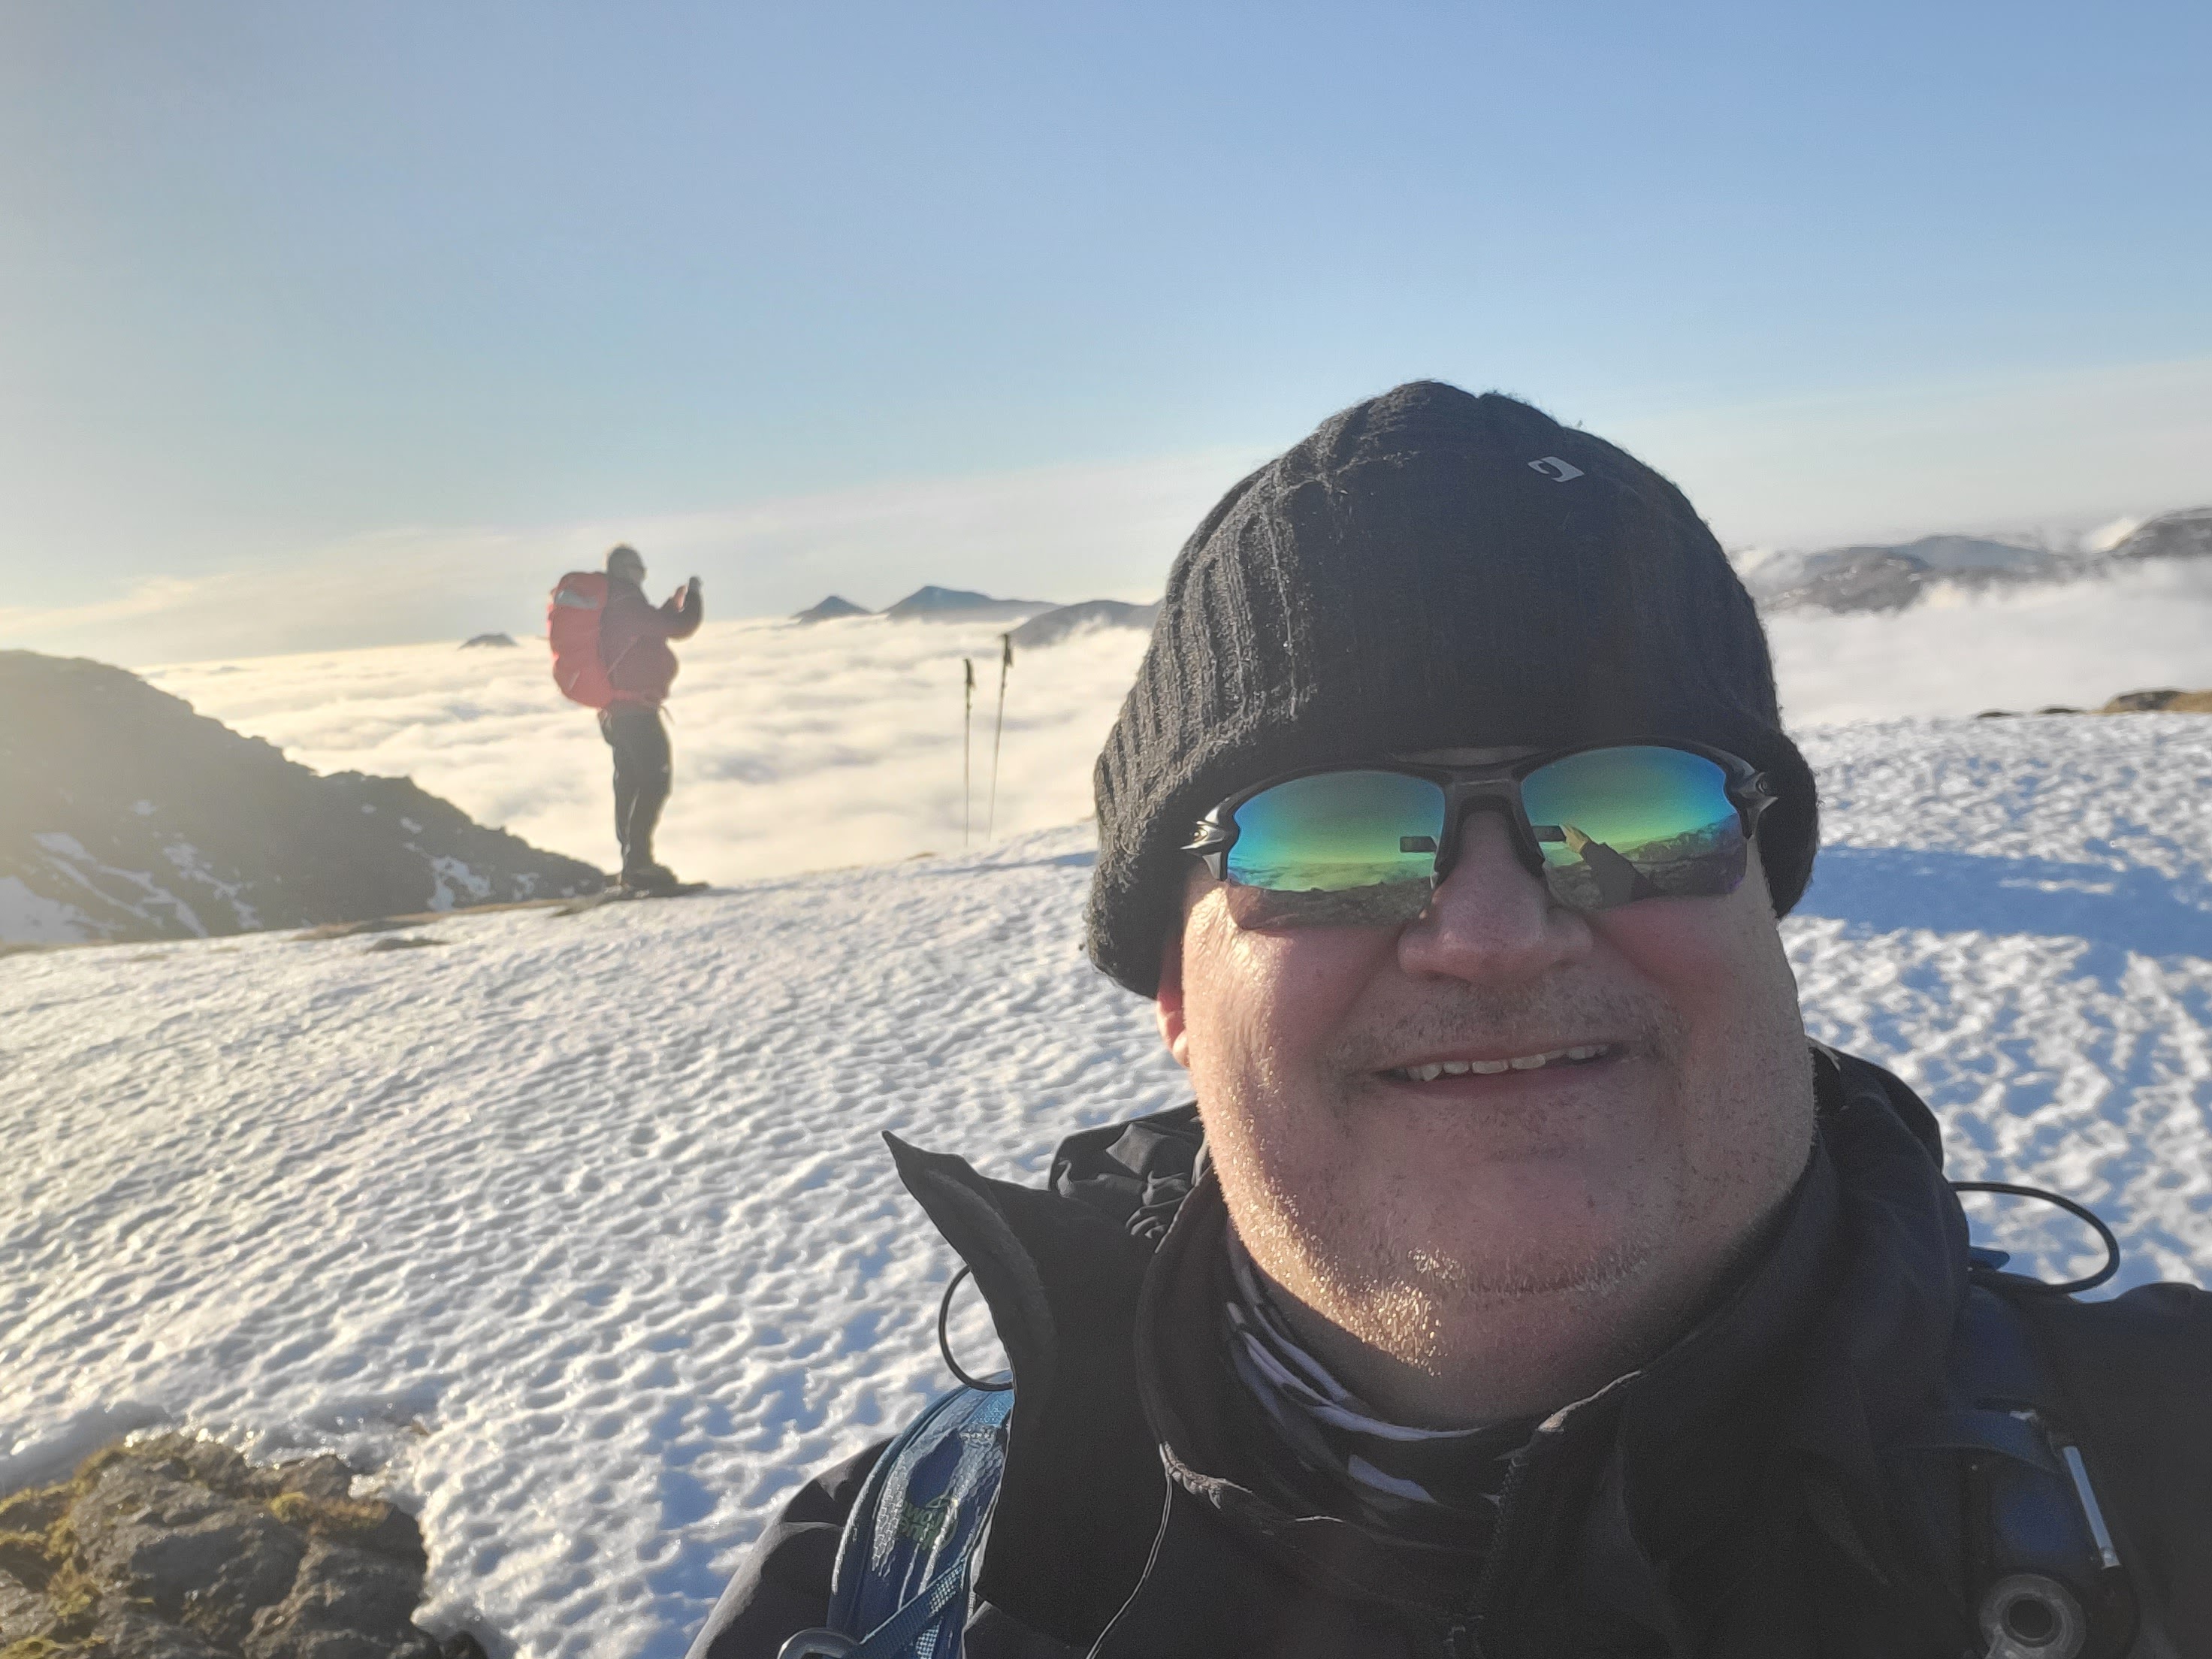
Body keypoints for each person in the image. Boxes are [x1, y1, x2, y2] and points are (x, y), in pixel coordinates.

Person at [690, 385, 2211, 1658]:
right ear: (1168, 985)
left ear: (1763, 906)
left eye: (1634, 808)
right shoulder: (897, 1566)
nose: (1490, 932)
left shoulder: (2166, 1475)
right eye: (1328, 837)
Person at [597, 543, 701, 892]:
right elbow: (679, 628)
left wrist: (669, 608)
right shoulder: (625, 602)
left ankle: (632, 864)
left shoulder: (613, 605)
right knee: (654, 782)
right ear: (626, 571)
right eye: (639, 571)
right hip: (636, 714)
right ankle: (638, 864)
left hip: (616, 713)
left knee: (629, 782)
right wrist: (693, 601)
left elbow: (650, 628)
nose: (642, 578)